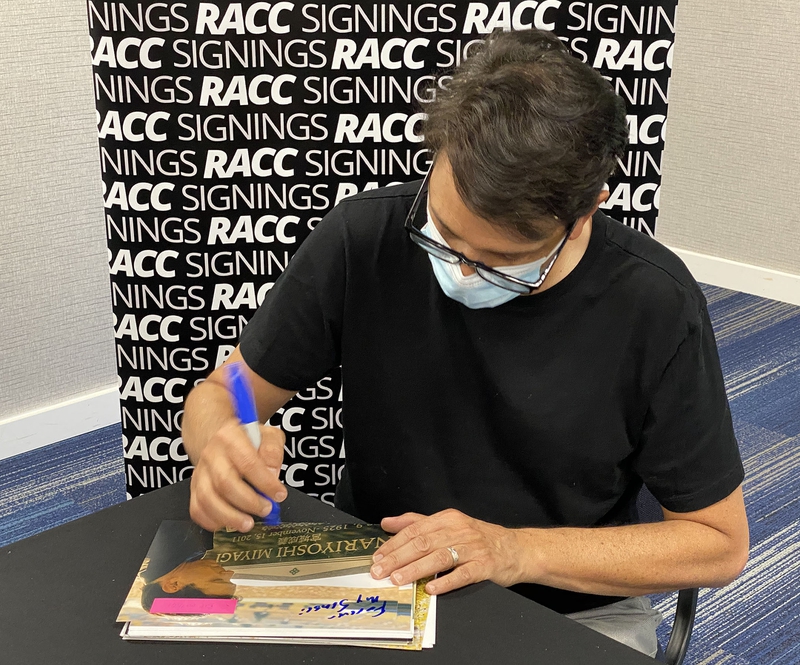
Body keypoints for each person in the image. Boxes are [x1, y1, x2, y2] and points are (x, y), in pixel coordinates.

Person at [182, 29, 749, 657]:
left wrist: (513, 549)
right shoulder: (362, 237)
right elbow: (227, 389)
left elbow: (717, 541)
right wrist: (219, 442)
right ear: (437, 159)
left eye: (503, 260)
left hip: (568, 600)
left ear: (587, 209)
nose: (462, 273)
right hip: (377, 579)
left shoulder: (656, 304)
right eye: (444, 236)